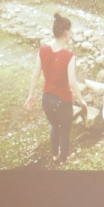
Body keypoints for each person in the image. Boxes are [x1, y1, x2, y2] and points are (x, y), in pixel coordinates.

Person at [25, 13, 88, 163]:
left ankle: (55, 155)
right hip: (63, 101)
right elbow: (72, 82)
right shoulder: (69, 56)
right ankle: (63, 160)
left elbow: (35, 74)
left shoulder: (42, 50)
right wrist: (81, 100)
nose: (70, 34)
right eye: (70, 31)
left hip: (47, 100)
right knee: (64, 132)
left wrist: (30, 95)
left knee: (54, 126)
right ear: (65, 33)